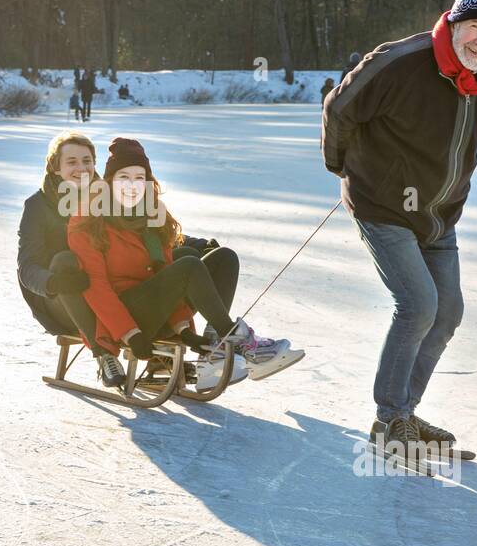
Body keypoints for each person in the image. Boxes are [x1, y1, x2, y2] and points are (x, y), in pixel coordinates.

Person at [321, 0, 477, 456]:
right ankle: (389, 420)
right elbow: (339, 107)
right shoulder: (398, 62)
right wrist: (343, 166)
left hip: (439, 216)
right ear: (453, 21)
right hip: (381, 206)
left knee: (447, 313)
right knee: (418, 305)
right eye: (475, 25)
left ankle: (404, 413)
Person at [68, 137, 304, 387]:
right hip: (122, 320)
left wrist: (184, 331)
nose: (132, 185)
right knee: (189, 264)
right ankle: (239, 341)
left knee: (224, 258)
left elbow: (167, 274)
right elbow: (97, 288)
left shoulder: (154, 215)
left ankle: (214, 352)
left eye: (139, 178)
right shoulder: (88, 221)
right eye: (123, 177)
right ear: (109, 182)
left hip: (156, 310)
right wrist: (131, 334)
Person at [19, 132, 236, 390]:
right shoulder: (38, 206)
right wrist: (53, 283)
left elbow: (141, 233)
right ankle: (104, 354)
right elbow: (28, 265)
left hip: (113, 285)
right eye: (72, 162)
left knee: (191, 258)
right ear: (55, 168)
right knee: (66, 261)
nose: (82, 168)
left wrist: (193, 244)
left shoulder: (110, 193)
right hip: (65, 295)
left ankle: (199, 354)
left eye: (87, 161)